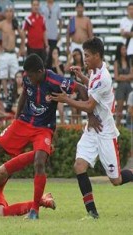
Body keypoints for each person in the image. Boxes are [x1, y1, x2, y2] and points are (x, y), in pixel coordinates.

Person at [0, 53, 91, 220]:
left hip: (43, 128)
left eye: (31, 75)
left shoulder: (55, 80)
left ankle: (35, 210)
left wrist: (88, 112)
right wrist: (16, 120)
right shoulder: (28, 77)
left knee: (39, 162)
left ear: (40, 71)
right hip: (24, 122)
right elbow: (24, 95)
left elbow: (81, 89)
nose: (28, 77)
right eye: (26, 75)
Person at [51, 37, 133, 219]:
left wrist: (66, 100)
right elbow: (92, 88)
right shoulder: (96, 72)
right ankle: (92, 213)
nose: (85, 58)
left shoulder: (103, 77)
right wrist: (82, 77)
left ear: (97, 55)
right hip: (92, 128)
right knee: (79, 166)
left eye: (87, 55)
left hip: (105, 131)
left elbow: (89, 105)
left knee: (116, 180)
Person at [0, 5, 25, 98]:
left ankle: (15, 94)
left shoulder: (15, 23)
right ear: (5, 13)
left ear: (13, 13)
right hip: (4, 52)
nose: (9, 13)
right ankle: (5, 96)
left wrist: (20, 50)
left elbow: (22, 36)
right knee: (3, 76)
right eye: (7, 11)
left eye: (11, 11)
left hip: (13, 52)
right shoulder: (2, 23)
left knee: (16, 76)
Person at [114, 43, 133, 127]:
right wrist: (127, 77)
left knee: (130, 109)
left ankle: (130, 129)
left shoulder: (129, 61)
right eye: (123, 49)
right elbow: (116, 77)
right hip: (121, 87)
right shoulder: (117, 62)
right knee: (119, 111)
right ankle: (117, 129)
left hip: (128, 86)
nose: (125, 51)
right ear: (119, 50)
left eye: (125, 49)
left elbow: (132, 76)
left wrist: (122, 76)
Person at [65, 48, 86, 124]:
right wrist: (70, 56)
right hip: (73, 90)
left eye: (78, 54)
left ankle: (79, 126)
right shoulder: (72, 66)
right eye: (75, 55)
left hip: (81, 90)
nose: (77, 56)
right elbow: (66, 69)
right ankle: (73, 126)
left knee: (79, 109)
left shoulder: (85, 67)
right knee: (73, 110)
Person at [46, 47, 65, 124]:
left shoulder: (60, 65)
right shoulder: (48, 64)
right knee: (50, 110)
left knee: (61, 110)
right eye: (54, 53)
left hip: (59, 90)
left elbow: (61, 76)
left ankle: (63, 125)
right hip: (50, 89)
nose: (55, 55)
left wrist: (57, 64)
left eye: (56, 53)